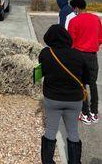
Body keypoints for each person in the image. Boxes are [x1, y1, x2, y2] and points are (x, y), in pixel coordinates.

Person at [39, 24, 90, 164]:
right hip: (74, 100)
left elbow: (41, 72)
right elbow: (87, 79)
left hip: (52, 98)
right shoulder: (78, 55)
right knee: (73, 132)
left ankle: (47, 161)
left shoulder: (45, 53)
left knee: (50, 130)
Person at [68, 0, 102, 124]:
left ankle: (85, 113)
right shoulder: (95, 19)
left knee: (81, 84)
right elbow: (100, 38)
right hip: (93, 55)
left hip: (79, 55)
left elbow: (70, 42)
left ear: (76, 7)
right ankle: (94, 113)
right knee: (93, 84)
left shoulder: (74, 21)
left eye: (73, 8)